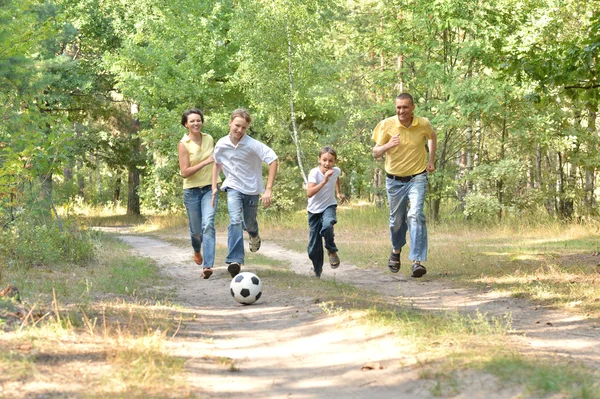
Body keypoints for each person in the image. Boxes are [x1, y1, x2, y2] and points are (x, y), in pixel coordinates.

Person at [371, 93, 437, 278]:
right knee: (397, 221)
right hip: (394, 180)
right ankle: (396, 249)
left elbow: (432, 137)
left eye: (405, 107)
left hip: (417, 177)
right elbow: (375, 153)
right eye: (398, 107)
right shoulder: (387, 124)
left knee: (416, 214)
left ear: (413, 108)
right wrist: (387, 146)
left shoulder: (423, 123)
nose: (401, 111)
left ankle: (417, 261)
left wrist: (431, 160)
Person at [211, 108, 278, 278]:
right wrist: (213, 186)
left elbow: (273, 159)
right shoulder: (221, 144)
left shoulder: (252, 144)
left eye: (244, 127)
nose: (240, 130)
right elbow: (217, 164)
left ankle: (254, 235)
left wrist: (268, 189)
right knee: (234, 220)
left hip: (252, 189)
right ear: (230, 122)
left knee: (249, 223)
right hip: (233, 186)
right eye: (237, 126)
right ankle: (235, 260)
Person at [178, 108, 220, 279]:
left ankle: (208, 266)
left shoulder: (209, 138)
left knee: (208, 225)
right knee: (196, 232)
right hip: (192, 191)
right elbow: (184, 172)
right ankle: (197, 250)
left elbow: (218, 161)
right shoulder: (184, 144)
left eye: (198, 120)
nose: (196, 123)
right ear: (186, 124)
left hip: (210, 188)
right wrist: (205, 162)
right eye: (192, 121)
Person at [306, 146, 346, 278]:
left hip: (329, 205)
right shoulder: (314, 173)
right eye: (324, 160)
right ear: (319, 159)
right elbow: (309, 193)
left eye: (331, 161)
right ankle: (317, 270)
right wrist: (324, 181)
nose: (327, 164)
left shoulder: (336, 171)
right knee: (313, 247)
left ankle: (331, 250)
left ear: (334, 162)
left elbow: (337, 177)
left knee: (328, 225)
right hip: (314, 211)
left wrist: (338, 192)